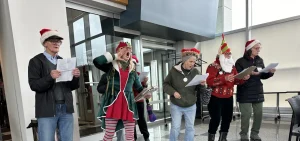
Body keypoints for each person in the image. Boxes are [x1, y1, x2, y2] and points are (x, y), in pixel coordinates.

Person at [28, 28, 80, 141]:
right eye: (52, 40)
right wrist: (49, 77)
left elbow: (71, 86)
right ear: (45, 43)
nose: (56, 43)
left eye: (58, 41)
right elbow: (34, 85)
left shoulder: (63, 61)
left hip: (66, 108)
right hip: (47, 109)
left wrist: (75, 77)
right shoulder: (35, 61)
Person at [93, 42, 146, 141]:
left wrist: (146, 92)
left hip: (128, 105)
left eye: (129, 50)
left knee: (130, 136)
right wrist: (116, 56)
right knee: (109, 135)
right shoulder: (110, 67)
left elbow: (139, 88)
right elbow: (96, 61)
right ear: (118, 51)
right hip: (113, 103)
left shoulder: (133, 70)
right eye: (124, 49)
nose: (128, 51)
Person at [206, 35, 250, 141]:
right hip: (215, 97)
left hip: (228, 97)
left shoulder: (232, 67)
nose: (229, 56)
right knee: (216, 119)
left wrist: (243, 78)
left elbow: (235, 80)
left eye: (229, 54)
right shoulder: (212, 66)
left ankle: (223, 138)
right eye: (226, 54)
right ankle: (211, 137)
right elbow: (209, 81)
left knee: (227, 119)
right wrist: (224, 78)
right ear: (221, 54)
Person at [235, 39, 276, 141]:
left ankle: (254, 134)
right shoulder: (240, 61)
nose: (258, 50)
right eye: (256, 48)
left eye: (259, 48)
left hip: (257, 91)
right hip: (245, 92)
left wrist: (270, 73)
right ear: (250, 49)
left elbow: (262, 75)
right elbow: (236, 77)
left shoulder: (259, 60)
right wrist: (245, 76)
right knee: (246, 115)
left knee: (259, 114)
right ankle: (244, 134)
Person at [163, 47, 206, 141]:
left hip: (191, 105)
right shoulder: (173, 71)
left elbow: (200, 88)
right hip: (176, 105)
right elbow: (165, 84)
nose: (193, 64)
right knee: (175, 128)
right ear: (185, 60)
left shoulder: (195, 71)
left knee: (190, 128)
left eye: (194, 62)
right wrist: (173, 92)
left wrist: (202, 84)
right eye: (191, 61)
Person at [97, 73, 125, 141]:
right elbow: (99, 89)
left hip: (120, 101)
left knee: (120, 124)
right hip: (108, 103)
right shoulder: (106, 75)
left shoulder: (123, 75)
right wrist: (109, 86)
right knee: (109, 127)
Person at [131, 55, 150, 141]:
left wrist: (145, 83)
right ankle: (133, 137)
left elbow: (142, 88)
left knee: (141, 119)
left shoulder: (138, 75)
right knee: (131, 121)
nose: (133, 66)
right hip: (130, 101)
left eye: (135, 64)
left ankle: (146, 136)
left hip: (139, 100)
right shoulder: (126, 76)